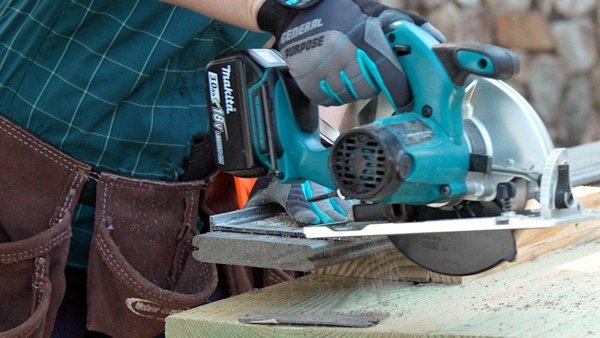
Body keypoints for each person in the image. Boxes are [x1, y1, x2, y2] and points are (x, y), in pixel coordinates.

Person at [0, 0, 442, 337]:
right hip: (35, 186)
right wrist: (280, 8)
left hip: (168, 207)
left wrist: (308, 147)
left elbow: (327, 38)